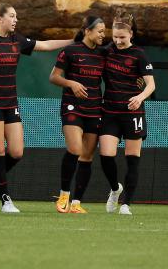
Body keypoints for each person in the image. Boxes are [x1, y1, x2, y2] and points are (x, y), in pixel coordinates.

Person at [0, 4, 72, 213]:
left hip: (10, 102)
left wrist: (74, 40)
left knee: (17, 152)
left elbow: (45, 46)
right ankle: (6, 201)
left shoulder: (16, 40)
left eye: (16, 16)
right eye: (12, 16)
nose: (15, 19)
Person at [49, 15, 105, 214]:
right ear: (87, 31)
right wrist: (71, 84)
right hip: (72, 106)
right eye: (99, 31)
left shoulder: (103, 54)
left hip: (95, 109)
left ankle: (76, 203)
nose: (102, 35)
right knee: (75, 148)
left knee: (87, 156)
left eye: (104, 31)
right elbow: (53, 77)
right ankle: (64, 194)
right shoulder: (70, 51)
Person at [100, 15, 155, 216]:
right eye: (115, 37)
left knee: (132, 159)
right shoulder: (106, 51)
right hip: (110, 112)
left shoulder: (139, 55)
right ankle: (115, 188)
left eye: (122, 37)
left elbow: (151, 84)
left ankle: (126, 204)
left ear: (131, 34)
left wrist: (139, 97)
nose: (118, 41)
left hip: (133, 113)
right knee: (106, 156)